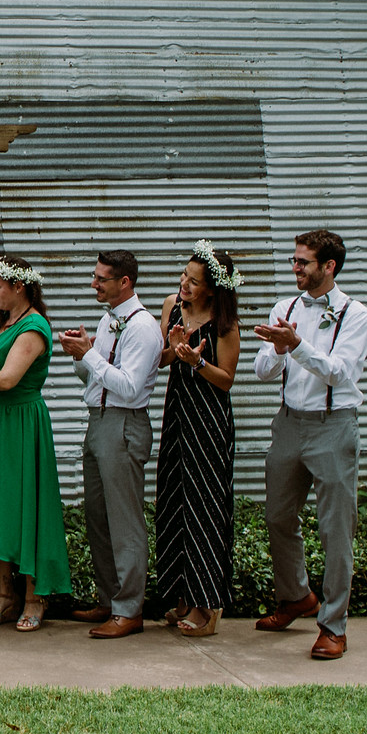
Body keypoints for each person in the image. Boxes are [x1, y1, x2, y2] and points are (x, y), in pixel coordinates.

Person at [251, 229, 367, 660]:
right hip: (288, 424)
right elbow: (262, 371)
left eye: (303, 262)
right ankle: (297, 597)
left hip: (333, 426)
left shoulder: (355, 314)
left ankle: (333, 627)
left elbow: (342, 373)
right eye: (294, 260)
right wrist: (279, 350)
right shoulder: (285, 307)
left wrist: (297, 345)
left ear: (329, 267)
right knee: (277, 517)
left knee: (335, 528)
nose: (295, 268)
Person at [0, 254, 71, 631]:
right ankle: (4, 594)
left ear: (18, 286)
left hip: (22, 425)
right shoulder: (3, 322)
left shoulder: (34, 326)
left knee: (25, 506)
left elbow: (8, 379)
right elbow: (0, 382)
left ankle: (34, 597)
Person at [57, 249, 163, 640]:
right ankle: (108, 598)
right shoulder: (107, 321)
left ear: (125, 283)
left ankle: (129, 609)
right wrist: (81, 356)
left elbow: (131, 388)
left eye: (101, 279)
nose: (93, 284)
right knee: (98, 517)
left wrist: (91, 357)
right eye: (94, 276)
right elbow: (94, 379)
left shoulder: (143, 327)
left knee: (124, 521)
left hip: (124, 425)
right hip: (98, 423)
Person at [152, 242, 241, 638]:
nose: (184, 284)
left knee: (205, 505)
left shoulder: (224, 323)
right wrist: (173, 351)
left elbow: (226, 380)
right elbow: (160, 360)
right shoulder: (172, 305)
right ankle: (182, 597)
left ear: (212, 289)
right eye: (184, 275)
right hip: (178, 413)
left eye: (194, 281)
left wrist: (198, 362)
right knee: (174, 498)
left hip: (208, 418)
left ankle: (209, 607)